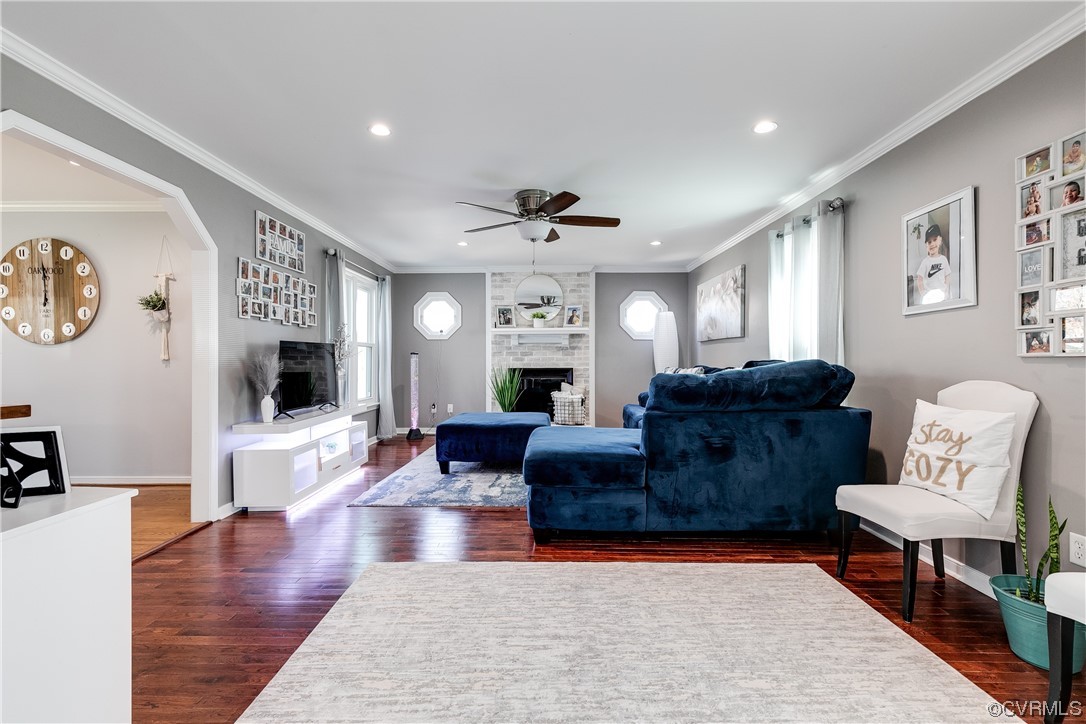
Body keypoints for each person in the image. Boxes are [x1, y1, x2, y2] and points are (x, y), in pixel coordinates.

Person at [915, 224, 952, 304]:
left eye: (935, 240)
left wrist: (946, 290)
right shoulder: (925, 262)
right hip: (929, 297)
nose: (932, 244)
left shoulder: (943, 259)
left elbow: (947, 276)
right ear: (926, 245)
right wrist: (923, 293)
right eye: (929, 242)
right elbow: (919, 279)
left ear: (940, 240)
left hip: (942, 297)